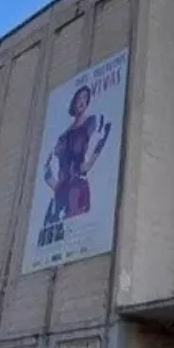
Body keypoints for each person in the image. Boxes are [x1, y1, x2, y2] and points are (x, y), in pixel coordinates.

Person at [38, 84, 111, 247]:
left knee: (72, 241)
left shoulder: (91, 123)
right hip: (60, 196)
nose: (81, 101)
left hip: (76, 192)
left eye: (85, 98)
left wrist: (101, 144)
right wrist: (58, 187)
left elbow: (85, 165)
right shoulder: (62, 136)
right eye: (79, 97)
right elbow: (47, 172)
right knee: (53, 242)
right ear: (73, 102)